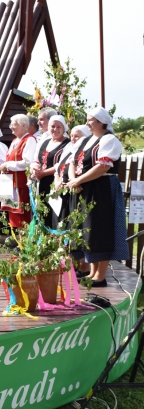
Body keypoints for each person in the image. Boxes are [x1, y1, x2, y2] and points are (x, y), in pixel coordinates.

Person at [65, 108, 126, 287]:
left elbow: (103, 167)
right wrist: (74, 180)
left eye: (91, 120)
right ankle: (92, 272)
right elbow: (72, 162)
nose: (88, 123)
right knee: (87, 230)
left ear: (101, 122)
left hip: (102, 188)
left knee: (100, 230)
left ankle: (100, 276)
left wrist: (78, 181)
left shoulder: (109, 140)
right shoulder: (85, 140)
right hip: (84, 187)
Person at [53, 124, 90, 275]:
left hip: (77, 193)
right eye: (72, 135)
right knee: (67, 229)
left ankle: (84, 266)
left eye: (78, 136)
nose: (74, 139)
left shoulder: (85, 152)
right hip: (64, 194)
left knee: (79, 229)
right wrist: (57, 182)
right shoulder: (69, 150)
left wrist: (73, 182)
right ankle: (71, 263)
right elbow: (57, 170)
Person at [0, 114, 37, 234]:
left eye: (14, 124)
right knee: (12, 212)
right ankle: (18, 240)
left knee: (21, 213)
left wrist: (8, 165)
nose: (11, 127)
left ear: (23, 125)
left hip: (21, 183)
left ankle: (24, 242)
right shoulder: (15, 140)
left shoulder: (29, 140)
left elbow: (27, 162)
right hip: (9, 182)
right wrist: (4, 167)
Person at [30, 115, 69, 226]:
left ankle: (54, 239)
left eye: (58, 127)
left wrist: (43, 173)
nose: (55, 129)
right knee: (40, 210)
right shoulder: (44, 142)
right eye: (52, 126)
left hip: (55, 181)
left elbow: (61, 164)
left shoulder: (68, 144)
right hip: (41, 181)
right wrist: (35, 169)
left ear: (63, 128)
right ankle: (41, 239)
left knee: (54, 212)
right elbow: (36, 160)